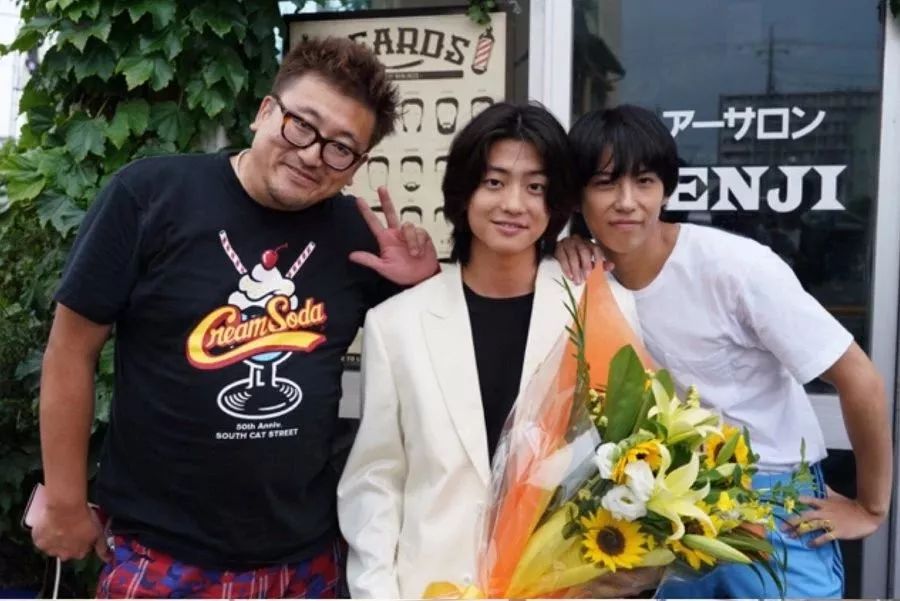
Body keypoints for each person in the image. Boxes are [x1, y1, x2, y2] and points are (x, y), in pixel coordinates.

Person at [32, 36, 439, 598]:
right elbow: (70, 351)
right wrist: (65, 501)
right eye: (301, 125)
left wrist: (422, 286)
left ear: (356, 167)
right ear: (265, 112)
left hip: (308, 562)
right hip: (162, 557)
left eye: (341, 148)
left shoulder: (357, 238)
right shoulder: (149, 197)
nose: (313, 155)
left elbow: (433, 372)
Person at [556, 104, 892, 598]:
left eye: (644, 181)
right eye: (605, 183)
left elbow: (859, 376)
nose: (626, 202)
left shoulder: (733, 268)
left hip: (770, 498)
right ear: (577, 195)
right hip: (662, 501)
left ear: (665, 188)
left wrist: (871, 506)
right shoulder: (582, 279)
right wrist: (560, 248)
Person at [336, 102, 647, 598]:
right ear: (464, 193)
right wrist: (377, 591)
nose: (514, 204)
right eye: (494, 182)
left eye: (535, 187)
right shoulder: (396, 325)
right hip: (430, 586)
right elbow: (376, 479)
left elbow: (632, 456)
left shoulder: (597, 305)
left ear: (556, 202)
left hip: (561, 587)